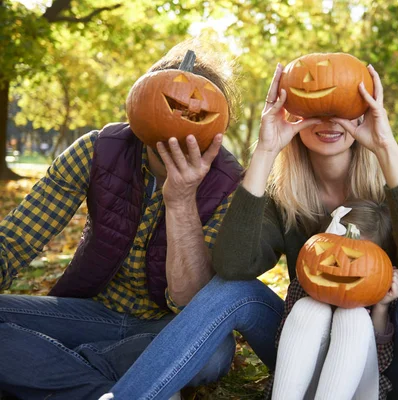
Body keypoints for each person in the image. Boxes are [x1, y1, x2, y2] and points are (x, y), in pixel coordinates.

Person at [99, 61, 398, 400]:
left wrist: (386, 148)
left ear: (362, 112)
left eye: (340, 109)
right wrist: (267, 150)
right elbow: (233, 266)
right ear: (293, 114)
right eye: (314, 111)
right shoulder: (281, 195)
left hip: (386, 357)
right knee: (233, 289)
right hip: (304, 351)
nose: (328, 121)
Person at [0, 39, 244, 400]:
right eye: (172, 106)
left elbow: (190, 300)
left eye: (196, 115)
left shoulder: (231, 186)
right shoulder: (96, 150)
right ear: (140, 103)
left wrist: (180, 200)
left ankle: (51, 368)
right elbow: (15, 241)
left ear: (217, 124)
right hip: (88, 313)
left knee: (214, 352)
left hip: (167, 329)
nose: (179, 124)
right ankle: (111, 388)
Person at [271, 201, 398, 400]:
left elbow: (382, 362)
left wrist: (381, 307)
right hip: (305, 387)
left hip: (359, 391)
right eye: (333, 250)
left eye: (353, 260)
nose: (338, 267)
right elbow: (283, 345)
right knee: (309, 307)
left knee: (354, 315)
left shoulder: (379, 293)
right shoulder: (304, 286)